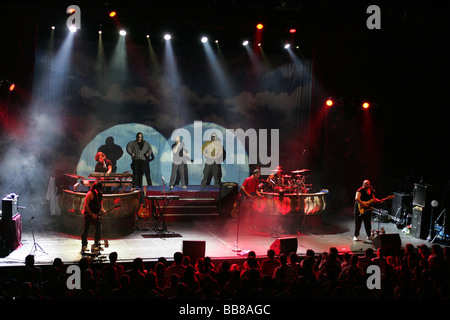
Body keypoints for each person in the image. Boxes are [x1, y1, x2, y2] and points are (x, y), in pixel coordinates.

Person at [81, 181, 104, 253]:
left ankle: (96, 244)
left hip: (96, 214)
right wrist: (91, 214)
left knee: (98, 228)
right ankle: (84, 245)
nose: (100, 190)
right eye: (99, 188)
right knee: (86, 229)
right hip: (89, 214)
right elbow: (86, 206)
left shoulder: (100, 194)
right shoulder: (90, 194)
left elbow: (100, 204)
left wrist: (102, 210)